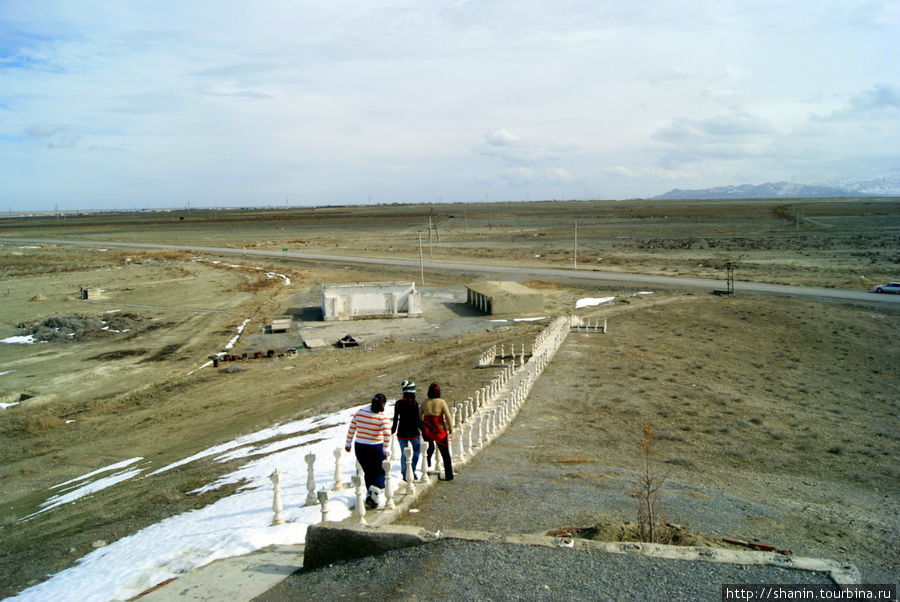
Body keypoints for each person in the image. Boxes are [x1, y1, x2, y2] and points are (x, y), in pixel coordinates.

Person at [345, 393, 391, 509]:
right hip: (376, 447)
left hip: (360, 447)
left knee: (368, 472)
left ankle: (372, 498)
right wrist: (385, 448)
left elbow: (352, 427)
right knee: (381, 471)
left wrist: (348, 443)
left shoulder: (360, 412)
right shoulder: (382, 416)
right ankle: (374, 491)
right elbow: (387, 433)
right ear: (383, 404)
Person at [420, 382, 454, 481]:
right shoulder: (441, 402)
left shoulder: (424, 402)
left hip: (427, 430)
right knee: (445, 454)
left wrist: (422, 428)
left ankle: (426, 467)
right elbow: (447, 416)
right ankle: (449, 475)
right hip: (439, 430)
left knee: (428, 450)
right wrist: (451, 429)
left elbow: (420, 416)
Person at [392, 380, 422, 481]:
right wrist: (424, 430)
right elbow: (418, 420)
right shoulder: (415, 404)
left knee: (403, 454)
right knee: (417, 451)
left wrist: (393, 430)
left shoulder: (398, 403)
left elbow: (395, 418)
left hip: (401, 432)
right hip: (413, 433)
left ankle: (404, 473)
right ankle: (412, 470)